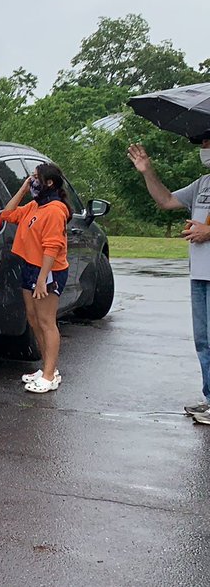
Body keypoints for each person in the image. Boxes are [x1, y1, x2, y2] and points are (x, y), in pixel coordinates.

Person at [127, 138, 210, 424]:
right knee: (204, 340)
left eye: (208, 142)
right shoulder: (203, 183)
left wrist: (208, 233)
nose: (204, 147)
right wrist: (147, 170)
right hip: (200, 273)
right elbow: (166, 201)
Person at [1, 162, 71, 394]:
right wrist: (22, 190)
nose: (32, 181)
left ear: (49, 183)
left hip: (48, 270)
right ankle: (46, 368)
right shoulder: (34, 205)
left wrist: (42, 280)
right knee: (33, 318)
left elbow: (52, 246)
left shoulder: (55, 210)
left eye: (35, 178)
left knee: (46, 321)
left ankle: (50, 375)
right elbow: (8, 214)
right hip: (30, 266)